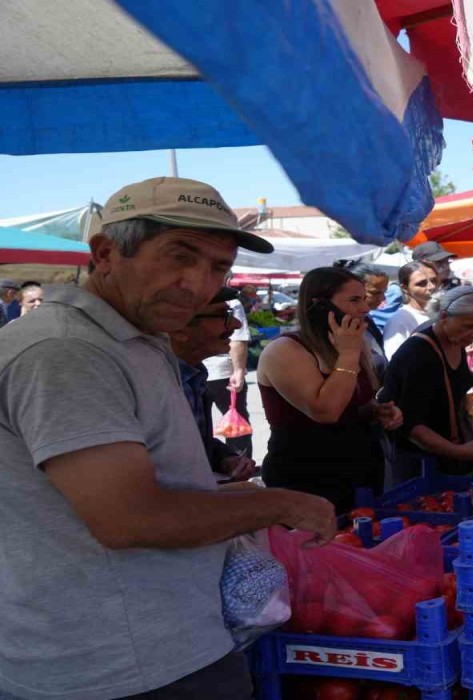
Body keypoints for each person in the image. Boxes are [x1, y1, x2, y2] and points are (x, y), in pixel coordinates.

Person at [0, 176, 335, 700]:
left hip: (162, 640)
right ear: (105, 253)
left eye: (218, 267)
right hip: (114, 665)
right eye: (180, 256)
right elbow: (130, 518)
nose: (198, 284)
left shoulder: (132, 338)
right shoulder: (66, 351)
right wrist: (279, 504)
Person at [257, 266, 404, 513]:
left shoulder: (352, 345)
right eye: (354, 300)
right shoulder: (285, 350)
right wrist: (348, 355)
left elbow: (353, 401)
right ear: (320, 305)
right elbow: (326, 411)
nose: (365, 308)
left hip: (359, 470)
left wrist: (375, 410)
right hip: (307, 477)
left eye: (364, 299)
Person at [381, 286, 473, 485]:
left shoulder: (454, 341)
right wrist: (459, 452)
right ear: (443, 317)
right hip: (421, 463)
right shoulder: (418, 354)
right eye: (468, 326)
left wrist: (471, 378)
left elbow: (440, 381)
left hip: (448, 454)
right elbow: (411, 424)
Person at [172, 286, 258, 480]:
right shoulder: (153, 382)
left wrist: (225, 458)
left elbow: (198, 443)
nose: (236, 324)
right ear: (180, 327)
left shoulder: (194, 374)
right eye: (223, 315)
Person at [202, 281, 254, 459]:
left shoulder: (229, 300)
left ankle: (236, 464)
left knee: (228, 423)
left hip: (217, 372)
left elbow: (238, 338)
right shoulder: (231, 301)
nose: (235, 324)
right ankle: (239, 463)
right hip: (221, 372)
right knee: (235, 426)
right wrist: (238, 370)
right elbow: (238, 338)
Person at [368, 240, 458, 332]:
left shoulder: (447, 288)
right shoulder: (397, 291)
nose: (446, 266)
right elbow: (379, 324)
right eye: (439, 262)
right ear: (422, 263)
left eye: (447, 262)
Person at [384, 261, 444, 359]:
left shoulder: (444, 313)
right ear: (405, 288)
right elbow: (395, 360)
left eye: (434, 281)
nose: (431, 287)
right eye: (421, 283)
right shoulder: (399, 319)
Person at [347, 263, 391, 380]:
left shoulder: (367, 319)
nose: (383, 298)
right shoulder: (342, 329)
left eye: (384, 292)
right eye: (375, 293)